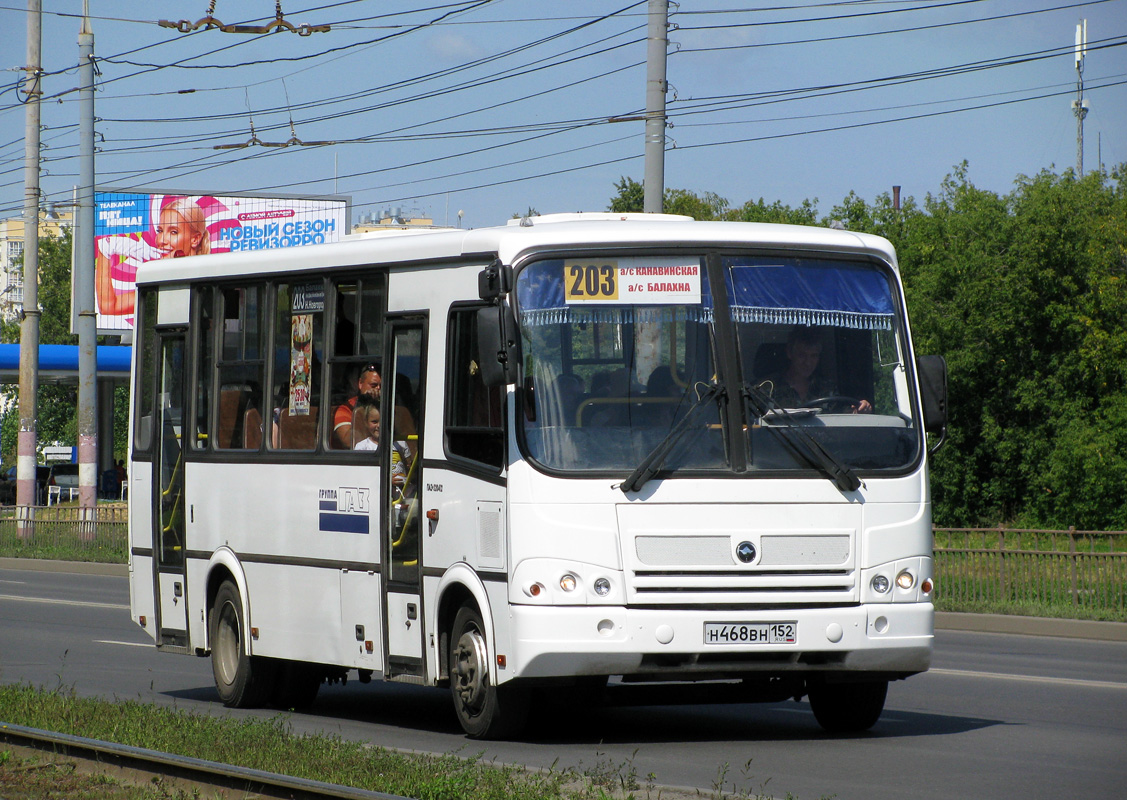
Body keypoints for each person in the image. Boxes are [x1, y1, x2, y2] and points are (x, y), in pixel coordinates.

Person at [96, 196, 210, 316]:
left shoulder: (206, 279)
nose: (162, 240)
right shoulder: (160, 284)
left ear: (195, 239)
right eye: (160, 231)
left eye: (173, 232)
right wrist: (106, 248)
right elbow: (108, 307)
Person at [763, 327, 871, 413]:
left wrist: (860, 409)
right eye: (802, 355)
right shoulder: (768, 389)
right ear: (790, 353)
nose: (808, 362)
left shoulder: (827, 389)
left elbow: (843, 415)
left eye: (813, 356)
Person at [332, 363, 381, 449]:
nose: (377, 390)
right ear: (360, 384)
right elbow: (349, 442)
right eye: (373, 385)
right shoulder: (345, 409)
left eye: (381, 387)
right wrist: (363, 404)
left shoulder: (390, 409)